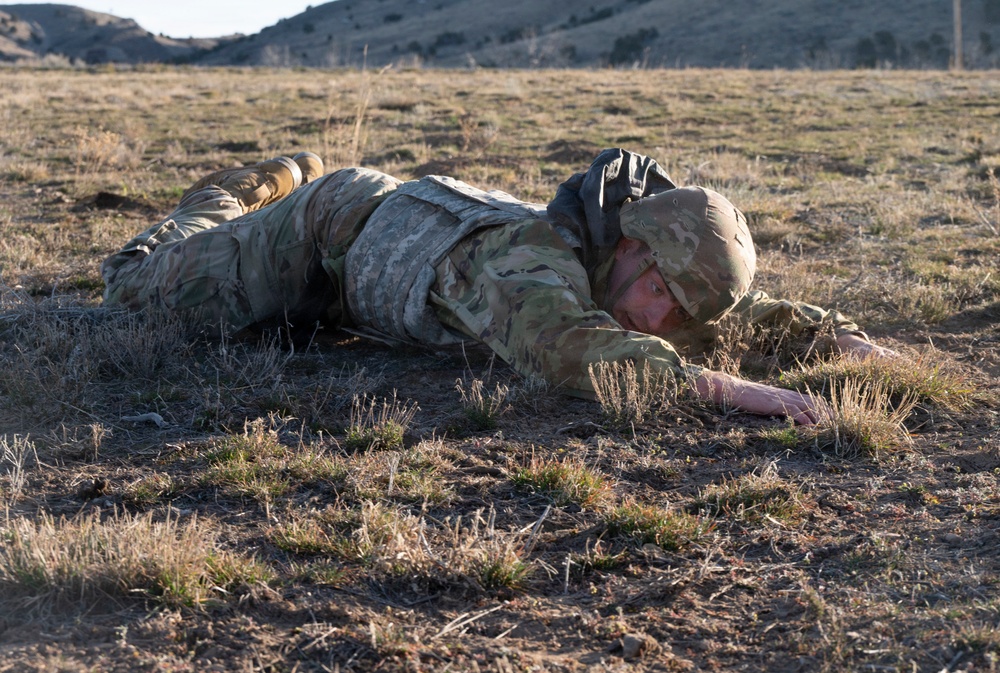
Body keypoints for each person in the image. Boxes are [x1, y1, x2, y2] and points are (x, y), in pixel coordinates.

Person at [102, 148, 896, 425]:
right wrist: (742, 392)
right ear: (630, 247)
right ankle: (241, 193)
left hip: (377, 253)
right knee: (133, 290)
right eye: (661, 294)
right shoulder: (532, 266)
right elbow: (570, 350)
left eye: (680, 310)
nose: (662, 320)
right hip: (324, 229)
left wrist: (844, 340)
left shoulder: (643, 273)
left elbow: (746, 311)